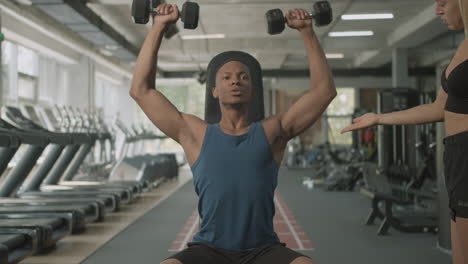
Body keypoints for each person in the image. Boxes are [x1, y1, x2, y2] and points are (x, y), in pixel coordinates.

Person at [130, 3, 336, 264]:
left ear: (252, 90)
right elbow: (141, 90)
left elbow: (323, 93)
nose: (235, 81)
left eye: (242, 77)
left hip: (263, 249)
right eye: (226, 77)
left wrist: (307, 31)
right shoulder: (195, 134)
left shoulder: (273, 132)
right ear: (214, 91)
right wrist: (158, 26)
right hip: (209, 249)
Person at [341, 1, 468, 263]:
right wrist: (379, 118)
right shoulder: (463, 46)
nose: (437, 11)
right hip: (456, 154)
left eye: (444, 2)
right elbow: (438, 108)